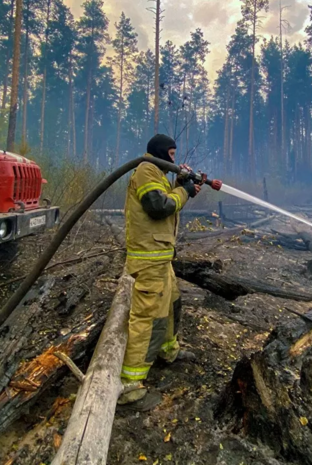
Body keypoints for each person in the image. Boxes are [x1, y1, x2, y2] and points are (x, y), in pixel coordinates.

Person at [118, 134, 202, 408]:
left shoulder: (156, 173)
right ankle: (130, 385)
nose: (175, 160)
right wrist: (184, 192)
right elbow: (158, 207)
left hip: (160, 259)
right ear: (162, 152)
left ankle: (168, 352)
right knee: (147, 317)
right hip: (148, 259)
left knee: (172, 301)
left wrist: (180, 184)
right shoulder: (146, 170)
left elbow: (165, 197)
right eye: (173, 155)